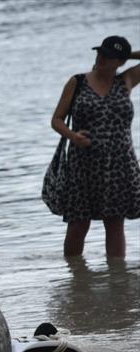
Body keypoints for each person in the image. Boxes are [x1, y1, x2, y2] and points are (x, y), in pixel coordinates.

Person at [45, 35, 140, 258]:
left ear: (119, 61)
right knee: (79, 224)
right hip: (83, 165)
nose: (100, 58)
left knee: (115, 224)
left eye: (108, 55)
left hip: (120, 165)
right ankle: (74, 276)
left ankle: (117, 280)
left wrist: (127, 55)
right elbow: (56, 119)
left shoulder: (125, 80)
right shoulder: (77, 82)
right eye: (100, 52)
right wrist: (73, 137)